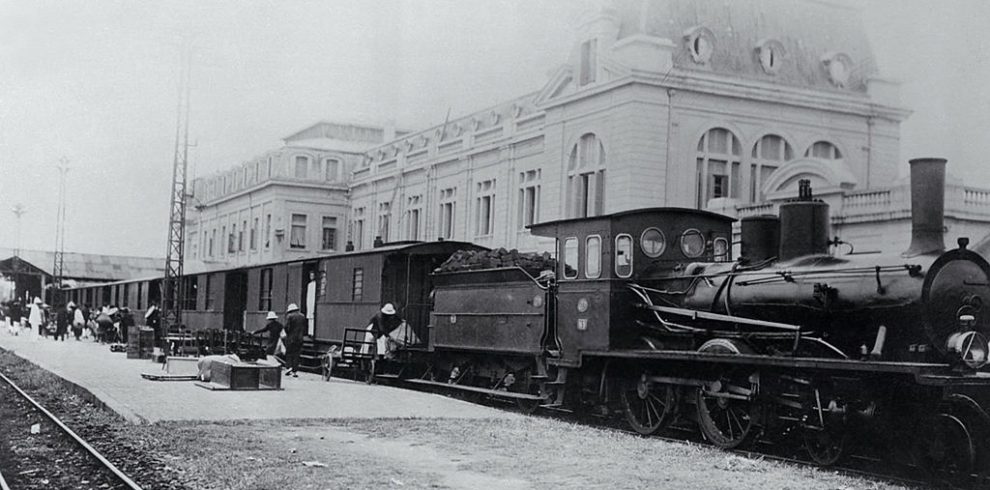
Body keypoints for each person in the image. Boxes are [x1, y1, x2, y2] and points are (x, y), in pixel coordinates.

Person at [283, 303, 307, 377]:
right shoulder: (302, 316)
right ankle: (295, 371)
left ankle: (289, 367)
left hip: (291, 338)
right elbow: (305, 327)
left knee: (289, 353)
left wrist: (288, 334)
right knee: (297, 354)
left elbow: (286, 327)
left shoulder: (290, 316)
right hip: (300, 339)